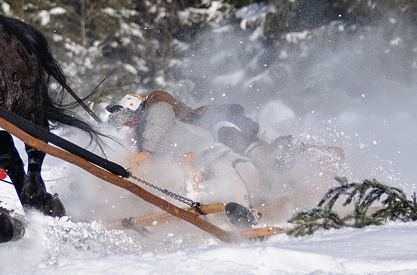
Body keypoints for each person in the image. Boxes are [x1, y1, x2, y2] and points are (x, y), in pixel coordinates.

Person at [106, 91, 343, 222]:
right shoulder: (159, 139)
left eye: (128, 124)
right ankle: (244, 210)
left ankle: (244, 215)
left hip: (235, 167)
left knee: (223, 171)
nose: (126, 133)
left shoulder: (161, 115)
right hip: (230, 174)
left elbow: (155, 124)